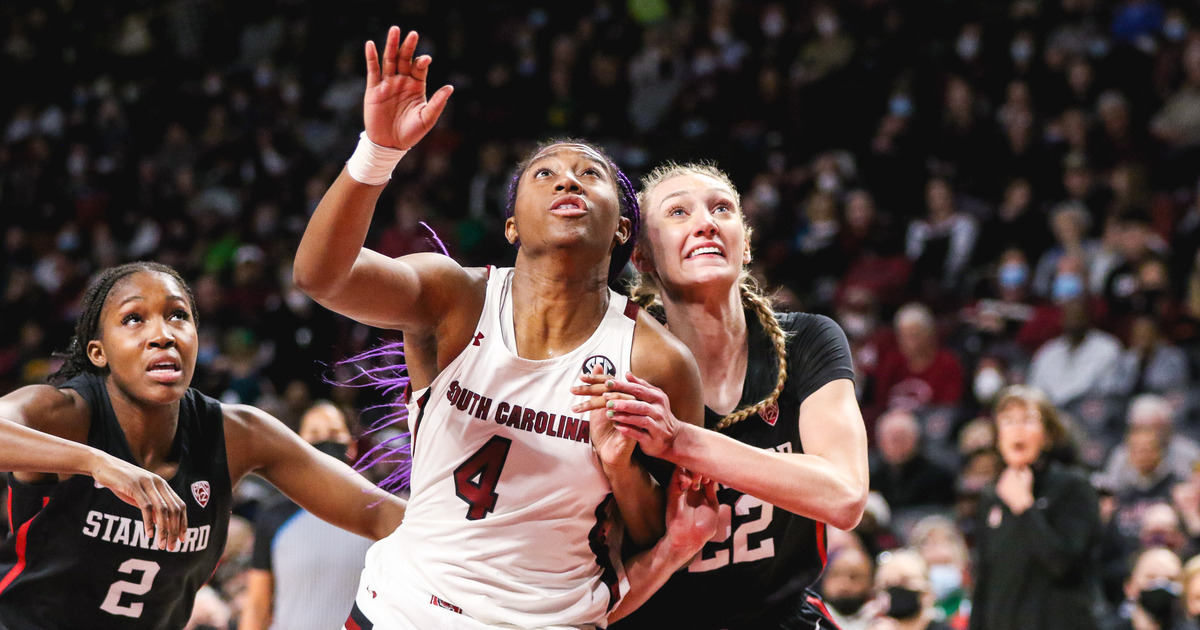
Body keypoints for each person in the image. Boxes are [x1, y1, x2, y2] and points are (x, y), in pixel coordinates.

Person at [292, 27, 714, 630]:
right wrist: (377, 154)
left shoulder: (658, 360)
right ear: (512, 225)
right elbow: (320, 276)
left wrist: (622, 468)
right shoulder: (454, 296)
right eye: (545, 174)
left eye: (589, 174)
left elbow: (656, 536)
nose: (568, 180)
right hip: (398, 611)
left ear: (623, 228)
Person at [0, 262, 406, 630]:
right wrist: (97, 462)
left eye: (178, 315)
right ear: (98, 352)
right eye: (133, 319)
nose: (162, 334)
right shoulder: (66, 414)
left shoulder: (237, 434)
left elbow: (380, 514)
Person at [585, 162, 869, 629]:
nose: (706, 222)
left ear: (747, 241)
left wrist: (680, 442)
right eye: (678, 212)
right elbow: (595, 603)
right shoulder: (619, 369)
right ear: (643, 257)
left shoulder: (808, 340)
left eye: (722, 208)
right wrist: (673, 545)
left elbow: (844, 495)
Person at [969, 385, 1102, 630]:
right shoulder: (991, 496)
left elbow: (1064, 566)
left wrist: (1024, 507)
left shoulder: (1074, 486)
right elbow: (985, 582)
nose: (1017, 429)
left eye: (1028, 420)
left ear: (1048, 435)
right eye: (1007, 421)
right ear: (998, 435)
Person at [239, 402, 374, 630]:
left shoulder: (375, 511)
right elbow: (257, 606)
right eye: (314, 434)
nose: (324, 440)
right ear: (298, 445)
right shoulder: (273, 515)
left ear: (351, 446)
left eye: (333, 433)